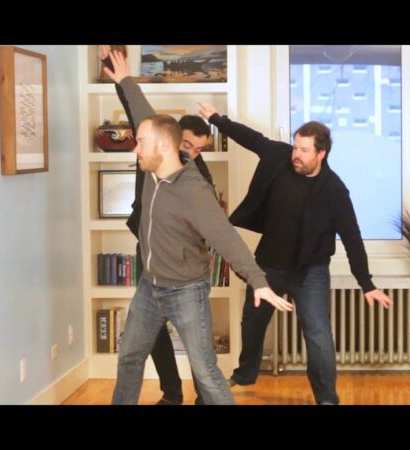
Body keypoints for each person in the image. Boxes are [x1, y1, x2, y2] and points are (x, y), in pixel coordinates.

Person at [104, 51, 293, 406]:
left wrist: (259, 281)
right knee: (129, 357)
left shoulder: (195, 191)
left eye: (140, 143)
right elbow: (142, 112)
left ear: (163, 146)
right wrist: (125, 80)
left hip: (186, 290)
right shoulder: (154, 160)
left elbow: (226, 238)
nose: (136, 148)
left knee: (205, 371)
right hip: (150, 285)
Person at [197, 102, 393, 405]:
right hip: (267, 266)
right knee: (252, 323)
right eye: (295, 146)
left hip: (310, 272)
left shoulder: (334, 190)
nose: (296, 154)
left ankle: (327, 398)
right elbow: (250, 138)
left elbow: (352, 238)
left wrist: (366, 283)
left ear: (321, 153)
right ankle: (245, 373)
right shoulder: (279, 157)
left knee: (318, 335)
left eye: (303, 150)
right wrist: (216, 119)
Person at [100, 46, 219, 405]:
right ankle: (172, 392)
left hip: (185, 270)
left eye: (200, 150)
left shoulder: (198, 177)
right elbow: (137, 110)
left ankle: (205, 397)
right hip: (149, 254)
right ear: (170, 140)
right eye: (189, 145)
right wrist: (118, 73)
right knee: (146, 336)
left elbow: (215, 228)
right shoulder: (150, 149)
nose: (193, 154)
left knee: (199, 350)